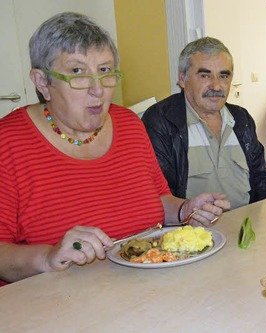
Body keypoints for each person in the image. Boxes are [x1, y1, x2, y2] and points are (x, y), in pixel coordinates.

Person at [0, 12, 230, 285]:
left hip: (146, 288)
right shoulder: (8, 143)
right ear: (42, 82)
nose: (98, 89)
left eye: (105, 71)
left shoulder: (129, 124)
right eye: (77, 72)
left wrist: (185, 210)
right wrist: (48, 257)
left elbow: (157, 200)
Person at [142, 37, 266, 209]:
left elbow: (261, 178)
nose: (216, 86)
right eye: (205, 75)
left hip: (246, 226)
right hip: (191, 232)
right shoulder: (161, 120)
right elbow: (157, 194)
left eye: (223, 76)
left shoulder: (241, 119)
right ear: (182, 79)